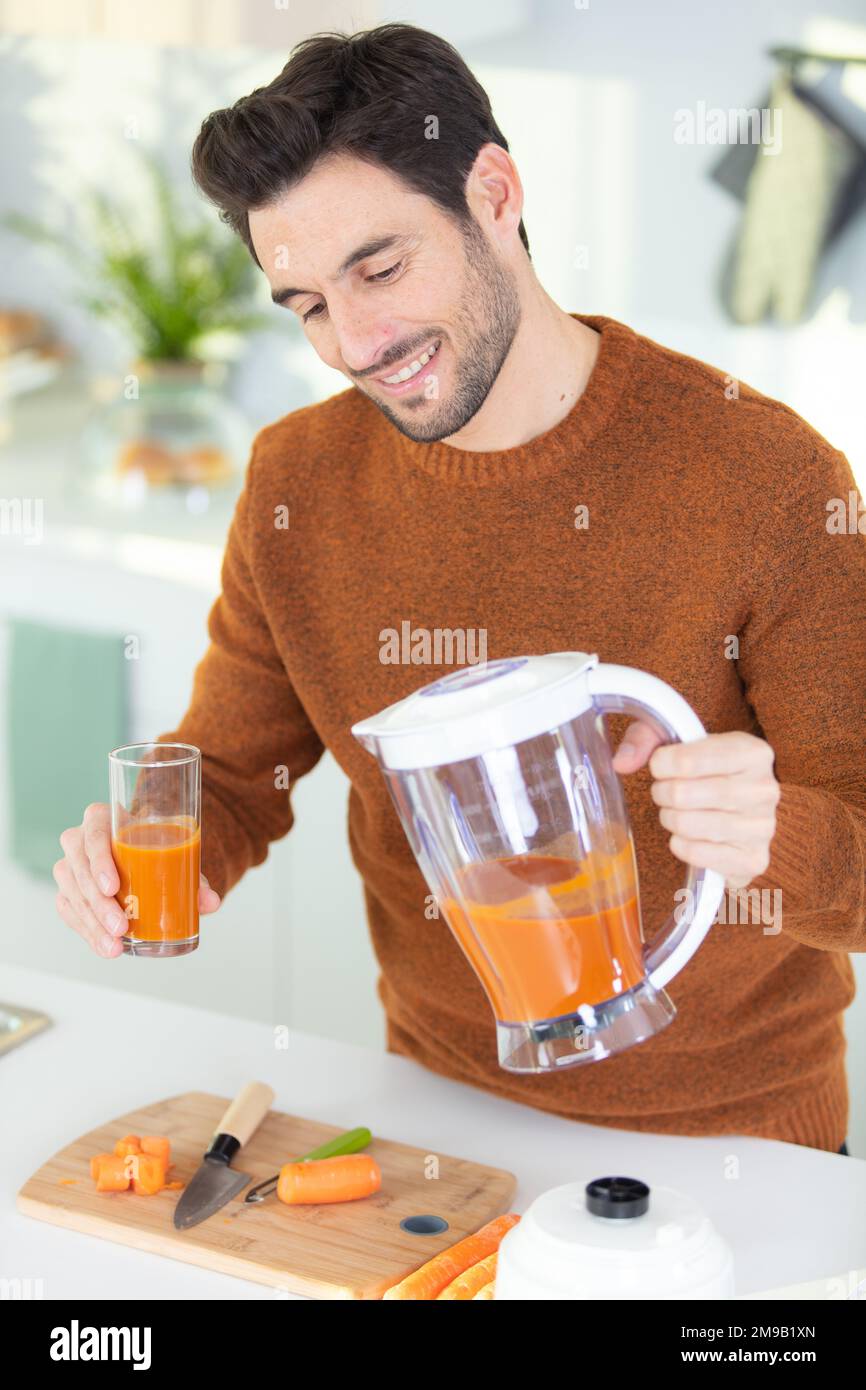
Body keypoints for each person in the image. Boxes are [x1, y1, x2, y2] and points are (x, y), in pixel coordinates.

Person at [53, 24, 865, 1154]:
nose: (355, 341)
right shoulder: (297, 482)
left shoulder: (768, 477)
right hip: (433, 1122)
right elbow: (234, 777)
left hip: (732, 1143)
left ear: (493, 192)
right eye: (305, 303)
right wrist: (147, 870)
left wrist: (771, 830)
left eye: (379, 269)